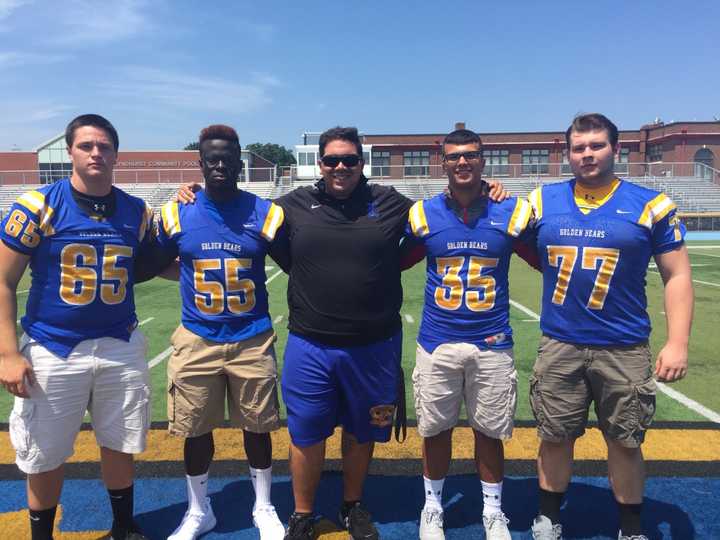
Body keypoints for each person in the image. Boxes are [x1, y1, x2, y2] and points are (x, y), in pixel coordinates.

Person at [176, 126, 509, 540]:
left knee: (362, 431)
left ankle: (352, 506)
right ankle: (302, 513)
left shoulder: (390, 203)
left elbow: (440, 217)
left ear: (361, 163)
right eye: (332, 160)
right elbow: (238, 223)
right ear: (319, 163)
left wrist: (486, 188)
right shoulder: (290, 206)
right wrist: (192, 192)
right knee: (306, 433)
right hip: (310, 343)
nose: (340, 167)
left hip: (374, 345)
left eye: (349, 160)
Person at [527, 113, 693, 540]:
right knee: (554, 436)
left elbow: (677, 275)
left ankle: (631, 527)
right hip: (560, 342)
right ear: (567, 152)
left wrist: (678, 342)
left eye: (596, 145)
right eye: (579, 147)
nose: (587, 154)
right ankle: (548, 517)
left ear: (614, 149)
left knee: (625, 441)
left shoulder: (649, 204)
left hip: (624, 346)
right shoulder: (542, 201)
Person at [0, 114, 155, 540]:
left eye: (104, 146)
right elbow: (3, 280)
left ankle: (123, 527)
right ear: (70, 151)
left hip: (119, 342)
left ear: (116, 154)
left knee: (121, 442)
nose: (96, 153)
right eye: (87, 146)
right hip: (54, 346)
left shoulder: (135, 210)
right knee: (44, 453)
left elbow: (153, 264)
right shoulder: (39, 205)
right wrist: (9, 353)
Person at [156, 125, 286, 540]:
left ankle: (263, 505)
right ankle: (199, 510)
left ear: (239, 161)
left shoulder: (265, 212)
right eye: (211, 158)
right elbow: (147, 261)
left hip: (252, 336)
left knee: (259, 426)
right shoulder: (178, 210)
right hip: (198, 335)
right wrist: (186, 277)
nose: (219, 164)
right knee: (195, 430)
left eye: (227, 158)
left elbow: (299, 263)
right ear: (200, 162)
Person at [405, 129, 533, 540]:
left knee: (490, 431)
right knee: (435, 430)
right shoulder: (423, 214)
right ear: (442, 162)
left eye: (471, 156)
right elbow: (392, 260)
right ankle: (432, 507)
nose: (463, 162)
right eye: (455, 156)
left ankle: (493, 511)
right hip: (437, 340)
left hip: (492, 341)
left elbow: (548, 260)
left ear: (483, 161)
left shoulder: (510, 211)